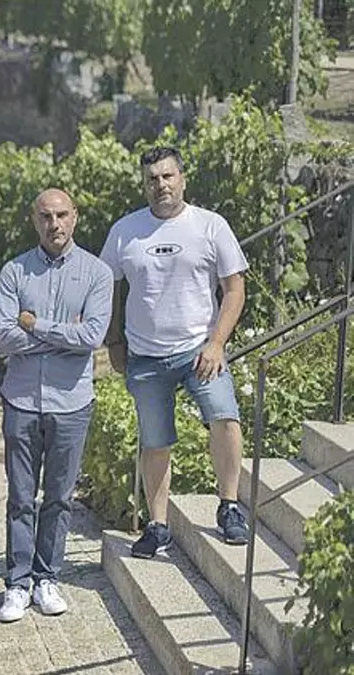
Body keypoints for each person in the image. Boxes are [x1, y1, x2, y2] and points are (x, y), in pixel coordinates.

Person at [101, 146, 250, 559]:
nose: (161, 185)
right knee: (155, 440)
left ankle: (229, 506)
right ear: (144, 184)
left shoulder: (210, 225)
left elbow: (234, 290)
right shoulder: (125, 230)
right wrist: (114, 340)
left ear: (182, 179)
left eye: (168, 176)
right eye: (152, 179)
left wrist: (216, 343)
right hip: (145, 355)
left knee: (225, 417)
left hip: (200, 350)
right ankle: (158, 525)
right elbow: (106, 286)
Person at [0, 189, 113, 622]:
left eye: (62, 215)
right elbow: (5, 338)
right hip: (22, 399)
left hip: (71, 402)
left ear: (75, 217)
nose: (54, 224)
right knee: (21, 497)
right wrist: (64, 335)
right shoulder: (14, 271)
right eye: (46, 216)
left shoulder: (97, 273)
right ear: (34, 220)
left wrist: (35, 324)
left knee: (59, 497)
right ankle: (17, 583)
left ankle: (47, 578)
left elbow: (92, 337)